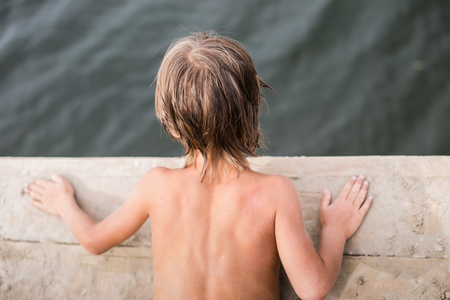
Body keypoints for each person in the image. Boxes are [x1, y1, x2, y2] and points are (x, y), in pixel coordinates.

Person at [25, 31, 373, 300]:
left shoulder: (156, 187)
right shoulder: (274, 193)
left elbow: (94, 240)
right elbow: (312, 289)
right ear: (252, 108)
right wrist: (334, 231)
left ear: (170, 123)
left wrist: (64, 204)